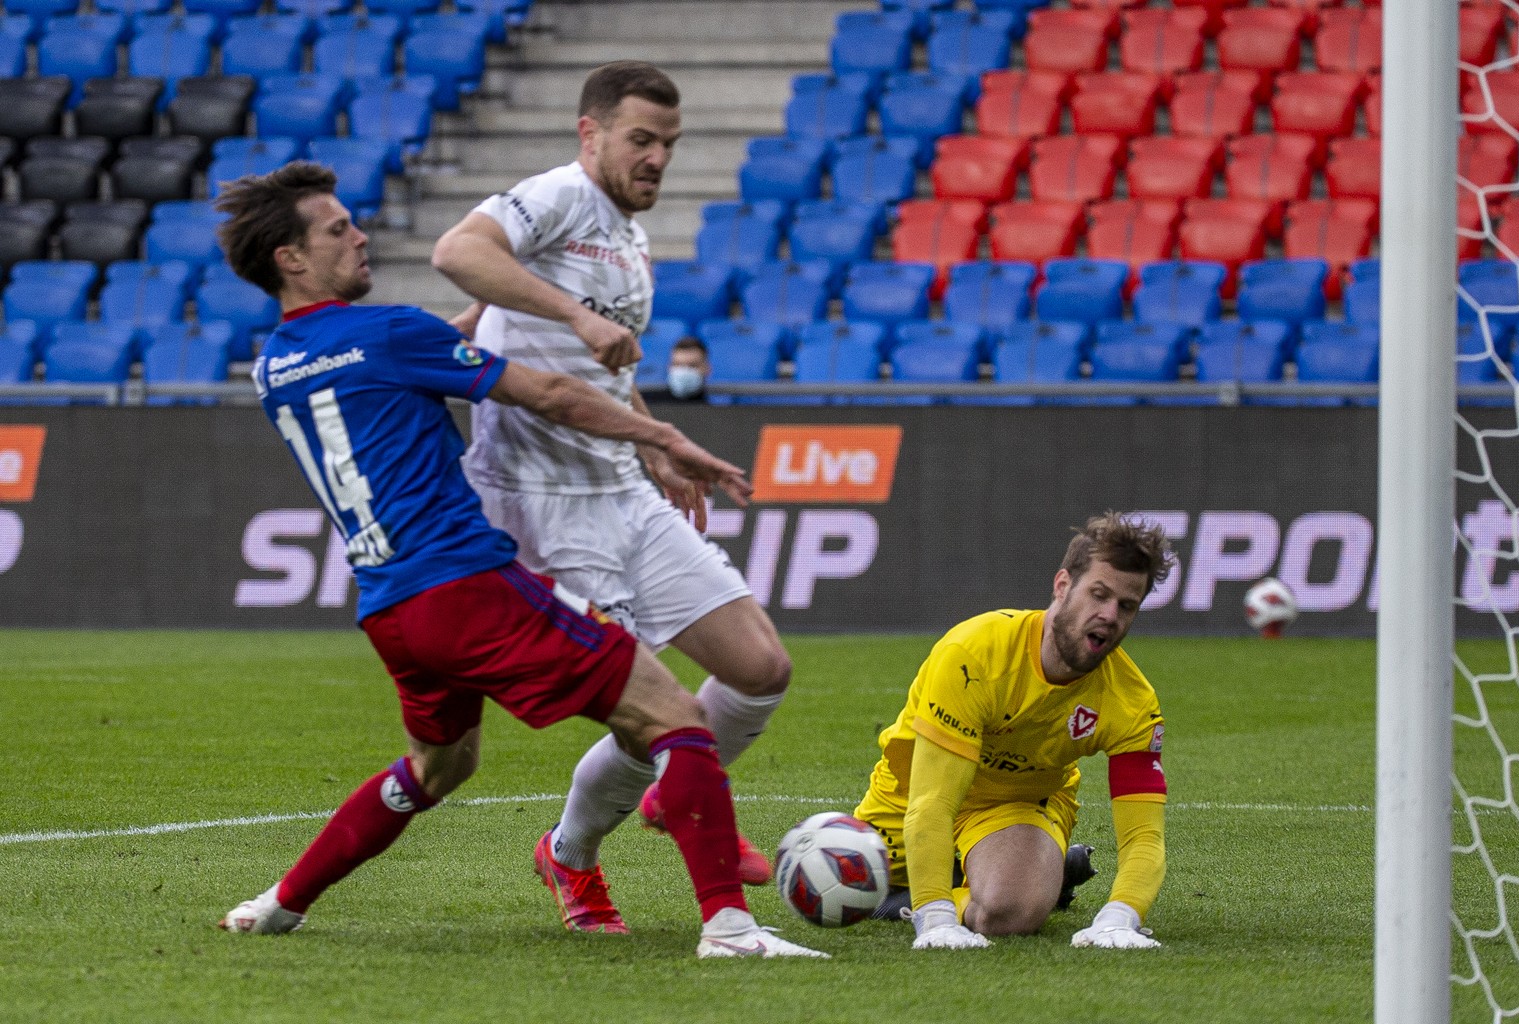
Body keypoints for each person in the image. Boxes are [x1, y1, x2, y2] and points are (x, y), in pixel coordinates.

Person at [212, 161, 826, 959]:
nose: (359, 235)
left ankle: (279, 903)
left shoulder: (277, 367)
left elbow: (424, 350)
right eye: (337, 229)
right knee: (675, 716)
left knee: (436, 770)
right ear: (290, 258)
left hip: (390, 608)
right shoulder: (390, 333)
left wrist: (500, 293)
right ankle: (729, 928)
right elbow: (549, 394)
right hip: (468, 587)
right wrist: (663, 437)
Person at [431, 61, 794, 933]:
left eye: (669, 143)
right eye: (641, 139)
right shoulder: (555, 195)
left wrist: (655, 443)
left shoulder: (628, 239)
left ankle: (677, 793)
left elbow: (596, 365)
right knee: (651, 713)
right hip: (541, 506)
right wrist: (576, 315)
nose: (658, 157)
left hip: (620, 487)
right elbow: (457, 253)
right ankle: (574, 856)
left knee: (758, 669)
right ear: (589, 134)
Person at [853, 512, 1175, 951]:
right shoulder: (974, 654)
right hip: (913, 791)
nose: (1109, 615)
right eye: (1098, 595)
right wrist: (934, 920)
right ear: (1063, 586)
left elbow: (1144, 835)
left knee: (1010, 912)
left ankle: (1016, 872)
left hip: (1015, 803)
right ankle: (1032, 869)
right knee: (846, 882)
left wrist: (1120, 917)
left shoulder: (1131, 701)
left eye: (1126, 606)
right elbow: (932, 803)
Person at [648, 336, 710, 403]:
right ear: (669, 367)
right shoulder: (647, 403)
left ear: (707, 369)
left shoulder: (716, 409)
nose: (684, 371)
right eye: (678, 365)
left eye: (692, 366)